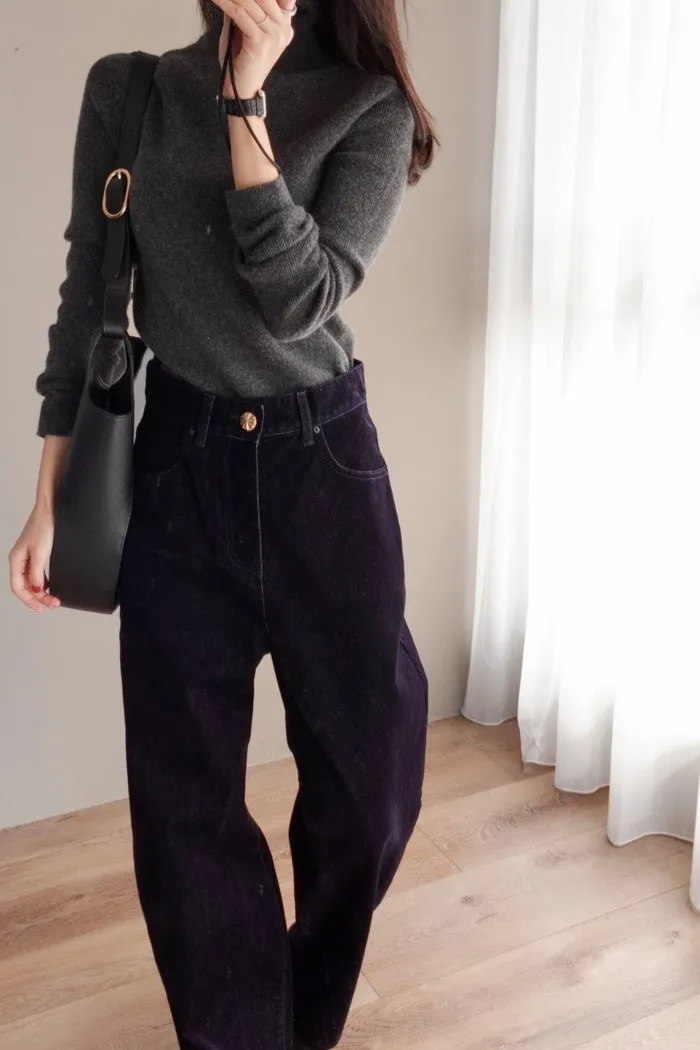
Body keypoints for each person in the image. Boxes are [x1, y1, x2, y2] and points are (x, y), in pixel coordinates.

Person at [9, 1, 437, 1047]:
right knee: (184, 808)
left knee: (370, 796)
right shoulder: (132, 91)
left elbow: (299, 297)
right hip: (178, 467)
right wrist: (48, 496)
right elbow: (87, 302)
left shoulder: (371, 108)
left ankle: (293, 1020)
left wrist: (246, 96)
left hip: (322, 469)